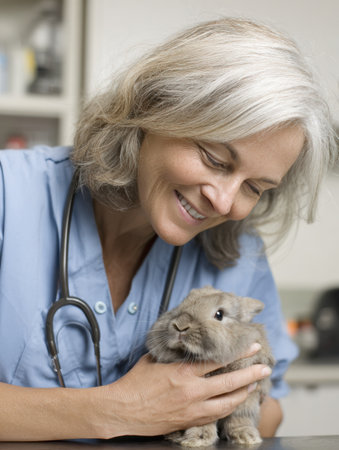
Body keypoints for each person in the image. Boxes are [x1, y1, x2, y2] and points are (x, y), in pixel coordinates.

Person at [0, 17, 336, 442]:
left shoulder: (240, 255)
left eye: (255, 187)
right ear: (154, 108)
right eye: (215, 159)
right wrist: (113, 412)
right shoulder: (9, 196)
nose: (226, 202)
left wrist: (219, 399)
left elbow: (269, 414)